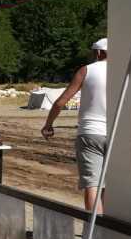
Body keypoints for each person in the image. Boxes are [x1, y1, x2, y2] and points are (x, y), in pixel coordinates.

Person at [42, 37, 108, 213]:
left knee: (92, 184)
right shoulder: (123, 71)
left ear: (98, 52)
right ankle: (107, 226)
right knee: (109, 185)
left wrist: (48, 125)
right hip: (116, 131)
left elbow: (60, 102)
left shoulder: (87, 70)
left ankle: (93, 228)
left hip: (90, 132)